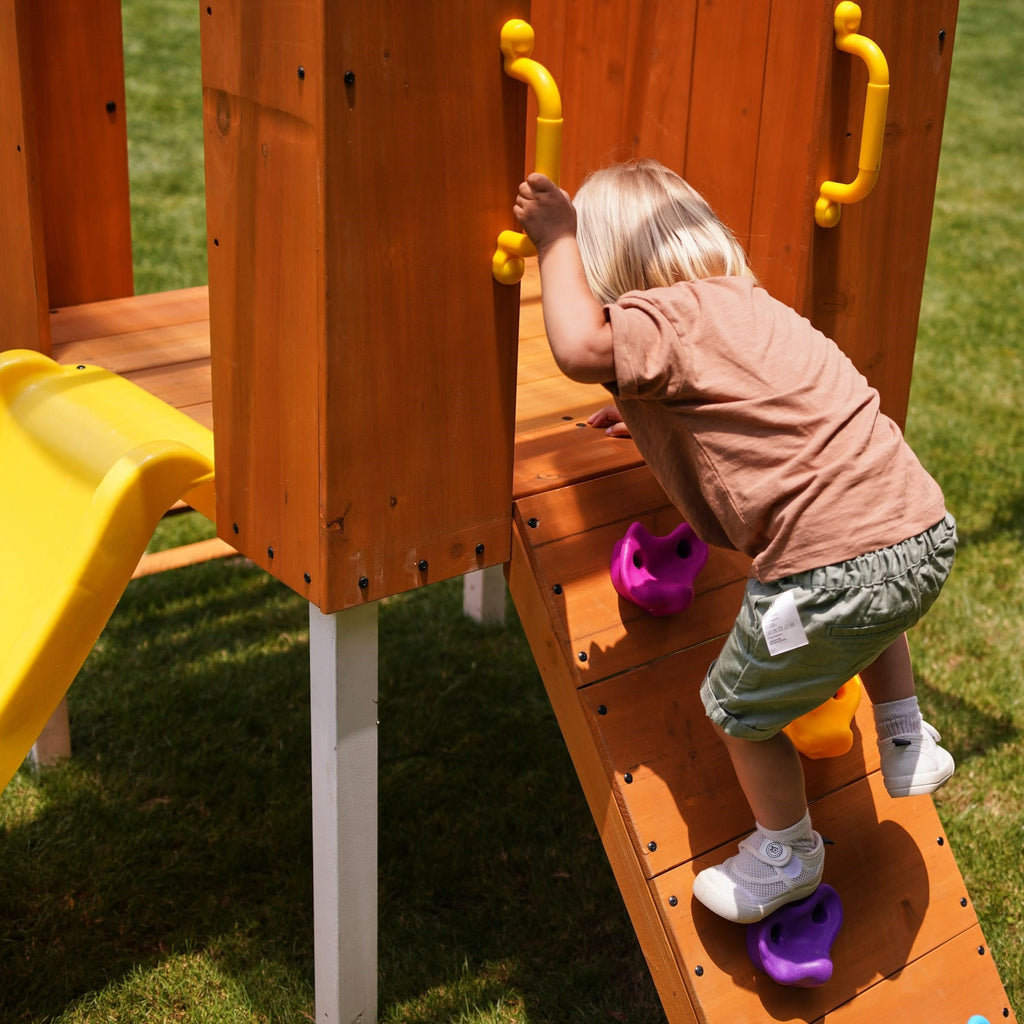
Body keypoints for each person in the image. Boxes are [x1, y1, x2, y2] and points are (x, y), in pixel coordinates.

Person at [512, 159, 957, 925]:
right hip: (918, 529)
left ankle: (785, 852)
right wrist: (649, 417)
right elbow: (740, 408)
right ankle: (903, 732)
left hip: (827, 574)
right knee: (875, 604)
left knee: (735, 709)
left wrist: (554, 235)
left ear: (605, 269)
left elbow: (581, 350)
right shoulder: (748, 306)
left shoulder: (661, 317)